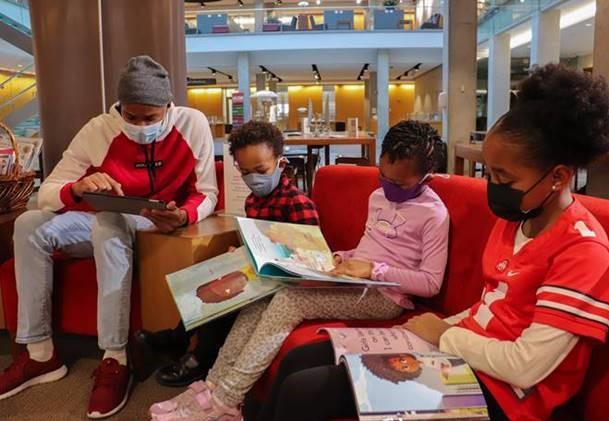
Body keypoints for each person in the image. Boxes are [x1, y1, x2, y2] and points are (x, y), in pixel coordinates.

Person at [261, 64, 609, 421]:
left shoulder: (583, 252)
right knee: (298, 361)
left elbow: (526, 367)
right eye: (489, 173)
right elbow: (489, 307)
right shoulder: (517, 220)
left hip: (505, 396)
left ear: (559, 177)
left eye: (504, 177)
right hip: (462, 355)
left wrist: (444, 334)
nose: (492, 186)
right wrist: (427, 329)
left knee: (305, 391)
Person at [148, 119, 450, 421]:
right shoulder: (377, 197)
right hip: (353, 282)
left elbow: (430, 283)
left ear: (427, 179)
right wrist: (341, 257)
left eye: (399, 184)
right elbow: (368, 247)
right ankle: (213, 385)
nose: (387, 188)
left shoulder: (434, 214)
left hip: (387, 298)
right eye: (383, 176)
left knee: (289, 300)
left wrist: (374, 269)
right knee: (261, 298)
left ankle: (227, 399)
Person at [0, 55, 219, 418]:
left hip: (156, 224)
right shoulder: (98, 129)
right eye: (131, 117)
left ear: (168, 106)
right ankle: (40, 355)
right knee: (29, 224)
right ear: (119, 107)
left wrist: (184, 214)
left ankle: (115, 358)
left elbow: (207, 191)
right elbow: (48, 193)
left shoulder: (191, 123)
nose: (140, 126)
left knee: (109, 224)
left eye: (150, 118)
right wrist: (78, 187)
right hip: (102, 221)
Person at [135, 121, 319, 388]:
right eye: (245, 172)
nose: (253, 178)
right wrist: (242, 251)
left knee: (227, 295)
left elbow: (311, 255)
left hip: (286, 281)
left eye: (260, 170)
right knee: (209, 281)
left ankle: (200, 357)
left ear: (280, 162)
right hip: (257, 272)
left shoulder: (298, 203)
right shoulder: (252, 200)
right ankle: (177, 338)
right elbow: (253, 238)